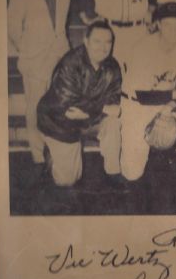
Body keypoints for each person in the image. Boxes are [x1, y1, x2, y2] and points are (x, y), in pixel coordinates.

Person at [120, 2, 176, 181]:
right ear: (157, 25)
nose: (172, 30)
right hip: (136, 106)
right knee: (132, 173)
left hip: (167, 102)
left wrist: (171, 105)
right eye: (167, 24)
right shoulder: (142, 48)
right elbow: (143, 96)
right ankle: (151, 153)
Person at [8, 0, 71, 173]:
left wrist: (65, 55)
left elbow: (60, 28)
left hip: (59, 59)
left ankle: (56, 157)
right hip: (34, 62)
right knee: (34, 109)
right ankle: (37, 159)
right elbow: (13, 30)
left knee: (57, 108)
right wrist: (30, 50)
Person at [37, 21, 122, 187]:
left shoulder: (113, 66)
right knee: (67, 181)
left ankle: (113, 173)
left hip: (87, 117)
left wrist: (91, 112)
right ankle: (51, 154)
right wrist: (102, 108)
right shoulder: (70, 62)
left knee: (113, 123)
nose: (103, 47)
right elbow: (69, 103)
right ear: (86, 40)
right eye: (97, 41)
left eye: (108, 42)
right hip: (59, 121)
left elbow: (114, 101)